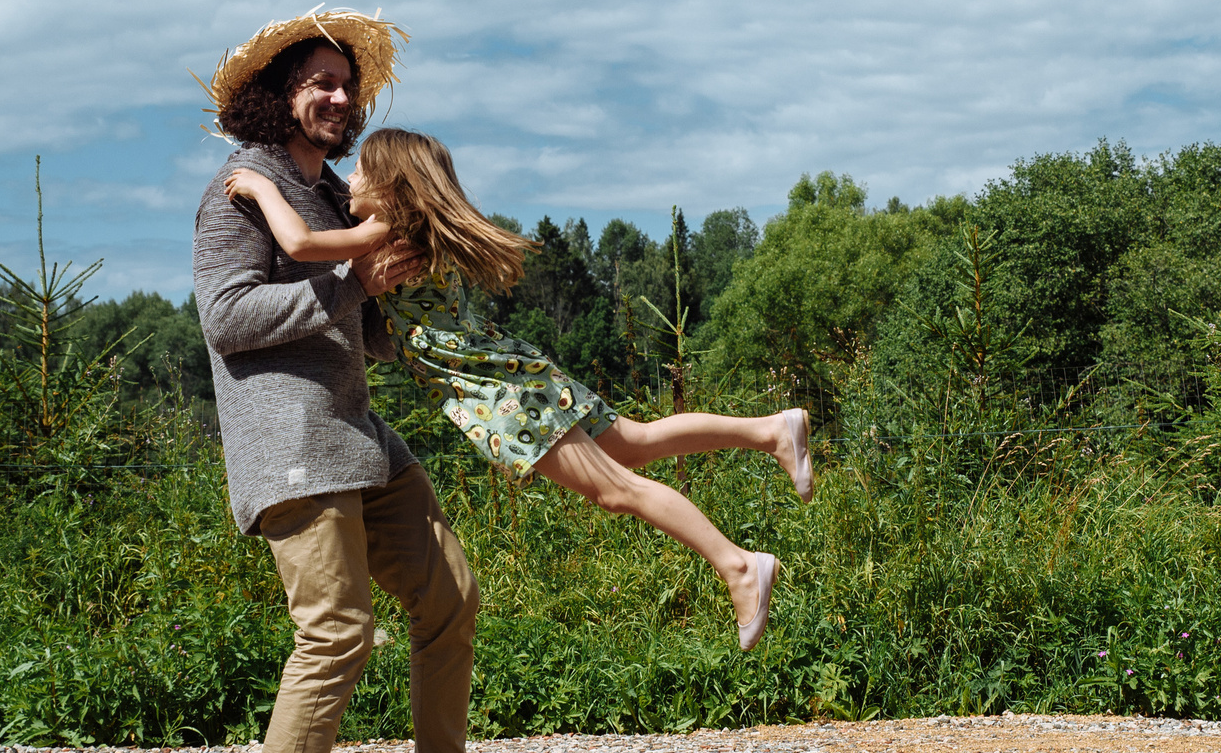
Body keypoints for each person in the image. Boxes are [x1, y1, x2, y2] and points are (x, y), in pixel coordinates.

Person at [192, 8, 537, 753]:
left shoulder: (336, 194)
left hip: (355, 437)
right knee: (337, 630)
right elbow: (229, 319)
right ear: (279, 96)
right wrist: (348, 283)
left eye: (347, 84)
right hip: (291, 445)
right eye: (319, 82)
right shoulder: (241, 188)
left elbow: (358, 326)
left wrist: (389, 295)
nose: (338, 96)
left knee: (449, 592)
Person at [225, 126, 810, 652]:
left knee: (616, 489)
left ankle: (738, 566)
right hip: (513, 368)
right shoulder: (413, 228)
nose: (346, 178)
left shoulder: (385, 233)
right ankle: (770, 431)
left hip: (495, 391)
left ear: (392, 185)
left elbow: (300, 244)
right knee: (633, 442)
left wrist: (261, 185)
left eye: (359, 172)